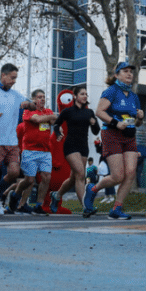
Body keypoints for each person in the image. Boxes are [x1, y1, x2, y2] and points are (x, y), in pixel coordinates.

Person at [84, 62, 145, 219]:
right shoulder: (111, 91)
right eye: (125, 71)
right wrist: (116, 123)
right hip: (112, 134)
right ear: (117, 75)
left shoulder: (133, 96)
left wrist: (140, 118)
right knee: (118, 176)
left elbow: (138, 123)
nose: (129, 74)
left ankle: (116, 209)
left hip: (129, 135)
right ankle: (93, 189)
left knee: (130, 173)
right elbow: (99, 111)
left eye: (131, 71)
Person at [0, 63, 32, 216]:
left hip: (11, 142)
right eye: (12, 78)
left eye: (15, 78)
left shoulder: (16, 95)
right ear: (3, 75)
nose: (14, 81)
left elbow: (29, 104)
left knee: (14, 172)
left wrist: (30, 104)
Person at [50, 85, 99, 213]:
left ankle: (57, 195)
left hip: (83, 147)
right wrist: (58, 131)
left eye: (86, 94)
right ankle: (86, 206)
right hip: (70, 145)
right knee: (81, 174)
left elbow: (96, 131)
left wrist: (94, 123)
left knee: (74, 177)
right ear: (75, 96)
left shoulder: (89, 112)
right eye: (82, 94)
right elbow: (56, 124)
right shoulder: (68, 111)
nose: (85, 96)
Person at [17, 90, 55, 215]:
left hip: (45, 151)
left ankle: (39, 205)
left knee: (46, 178)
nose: (42, 99)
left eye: (44, 97)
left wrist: (48, 117)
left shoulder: (48, 111)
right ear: (33, 100)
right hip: (30, 150)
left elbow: (54, 120)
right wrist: (49, 118)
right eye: (39, 97)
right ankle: (21, 203)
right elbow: (38, 119)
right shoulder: (28, 111)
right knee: (29, 179)